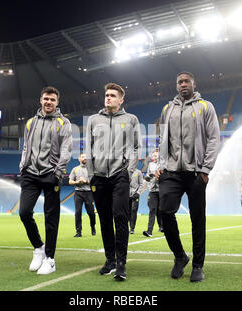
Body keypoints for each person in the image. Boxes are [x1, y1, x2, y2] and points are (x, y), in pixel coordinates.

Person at [155, 71, 220, 282]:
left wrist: (205, 170)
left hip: (196, 173)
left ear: (193, 83)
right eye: (179, 82)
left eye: (186, 81)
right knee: (164, 212)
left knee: (197, 220)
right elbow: (162, 139)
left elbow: (214, 139)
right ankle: (180, 256)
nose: (183, 84)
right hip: (171, 172)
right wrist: (160, 164)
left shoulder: (205, 106)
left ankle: (198, 266)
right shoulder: (168, 109)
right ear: (176, 86)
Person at [85, 82, 141, 281]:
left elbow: (136, 147)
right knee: (104, 219)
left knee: (120, 217)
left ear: (121, 99)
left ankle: (121, 263)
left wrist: (129, 171)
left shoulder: (131, 119)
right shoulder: (93, 120)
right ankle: (109, 259)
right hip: (98, 177)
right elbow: (88, 148)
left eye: (112, 95)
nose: (108, 97)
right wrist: (91, 173)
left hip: (120, 175)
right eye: (106, 94)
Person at [18, 86, 72, 275]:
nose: (48, 102)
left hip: (51, 174)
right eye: (46, 99)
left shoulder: (63, 122)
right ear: (40, 100)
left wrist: (58, 173)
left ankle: (50, 259)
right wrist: (22, 166)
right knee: (24, 212)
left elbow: (66, 149)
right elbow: (26, 146)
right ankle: (38, 247)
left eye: (52, 100)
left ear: (57, 102)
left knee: (51, 218)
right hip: (30, 174)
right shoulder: (30, 122)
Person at [69, 153, 97, 237]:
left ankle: (93, 227)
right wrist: (78, 182)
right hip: (78, 193)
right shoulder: (75, 169)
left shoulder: (91, 169)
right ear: (79, 159)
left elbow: (95, 181)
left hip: (89, 193)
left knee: (91, 213)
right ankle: (78, 232)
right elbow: (70, 181)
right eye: (82, 157)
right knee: (78, 212)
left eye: (86, 157)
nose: (85, 158)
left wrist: (86, 181)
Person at [143, 150, 163, 237]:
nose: (154, 157)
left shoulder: (163, 165)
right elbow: (146, 178)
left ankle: (163, 228)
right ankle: (149, 231)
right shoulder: (150, 165)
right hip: (152, 191)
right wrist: (150, 176)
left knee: (162, 211)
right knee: (152, 210)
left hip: (162, 190)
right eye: (153, 156)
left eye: (156, 156)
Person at [128, 168, 144, 234]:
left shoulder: (138, 172)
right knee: (128, 211)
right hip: (127, 195)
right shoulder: (126, 171)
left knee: (134, 210)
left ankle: (132, 228)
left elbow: (141, 184)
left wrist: (138, 192)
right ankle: (129, 225)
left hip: (135, 195)